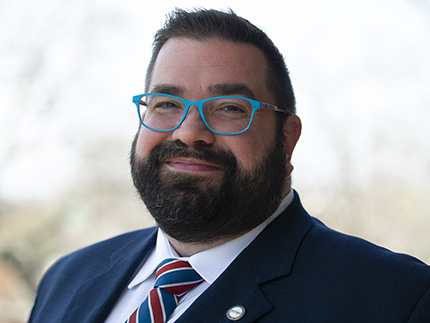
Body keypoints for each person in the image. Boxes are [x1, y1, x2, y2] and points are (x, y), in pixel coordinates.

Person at [29, 8, 430, 323]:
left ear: (287, 139)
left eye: (229, 108)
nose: (189, 133)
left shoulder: (398, 299)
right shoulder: (69, 277)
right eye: (167, 104)